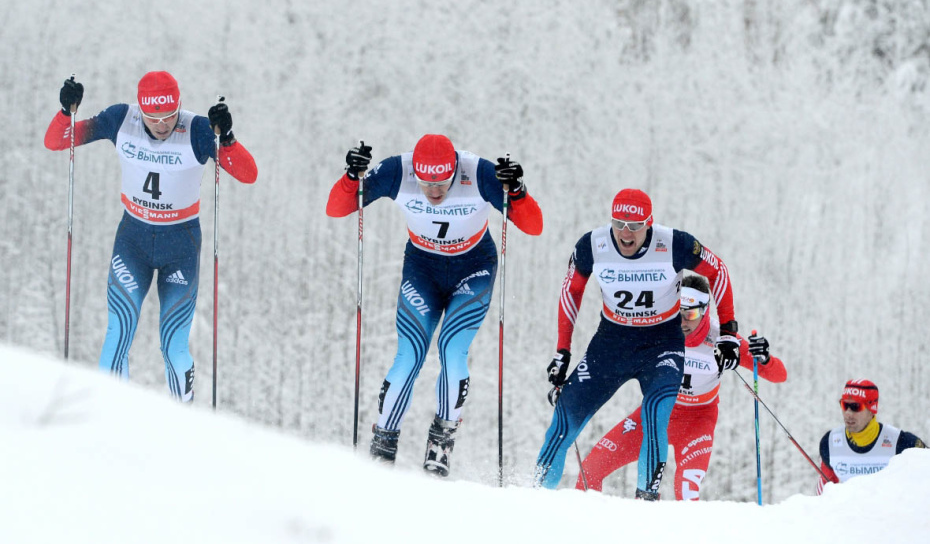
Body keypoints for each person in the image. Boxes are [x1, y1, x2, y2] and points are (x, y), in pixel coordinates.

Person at [326, 134, 543, 476]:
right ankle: (383, 442)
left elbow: (534, 226)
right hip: (423, 269)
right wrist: (351, 178)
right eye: (427, 183)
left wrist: (517, 191)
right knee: (409, 353)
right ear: (416, 171)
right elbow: (336, 208)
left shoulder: (478, 171)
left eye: (442, 183)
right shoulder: (398, 170)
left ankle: (441, 442)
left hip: (474, 267)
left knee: (450, 348)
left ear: (455, 169)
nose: (435, 192)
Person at [45, 73, 258, 401]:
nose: (162, 125)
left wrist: (226, 138)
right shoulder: (121, 119)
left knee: (173, 347)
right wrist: (64, 111)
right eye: (154, 118)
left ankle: (180, 425)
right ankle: (106, 419)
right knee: (116, 337)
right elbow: (58, 140)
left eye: (169, 116)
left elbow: (248, 174)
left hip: (181, 247)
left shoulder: (198, 130)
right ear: (141, 110)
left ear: (179, 107)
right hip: (133, 242)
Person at [534, 188, 739, 499]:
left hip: (662, 345)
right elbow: (571, 291)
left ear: (649, 224)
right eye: (618, 224)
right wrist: (562, 351)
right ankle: (533, 497)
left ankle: (645, 503)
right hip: (611, 344)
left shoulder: (674, 244)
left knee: (656, 413)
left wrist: (728, 333)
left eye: (634, 226)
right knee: (565, 416)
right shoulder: (593, 244)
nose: (625, 234)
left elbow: (719, 271)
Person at [575, 274, 787, 499]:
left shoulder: (722, 339)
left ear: (705, 311)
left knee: (685, 494)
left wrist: (763, 358)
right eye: (678, 313)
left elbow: (778, 375)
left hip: (697, 422)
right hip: (655, 414)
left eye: (691, 314)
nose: (682, 322)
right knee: (590, 471)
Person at [816, 379, 925, 494]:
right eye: (844, 405)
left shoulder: (900, 442)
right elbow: (824, 495)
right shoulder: (830, 443)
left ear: (872, 409)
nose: (848, 413)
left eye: (855, 406)